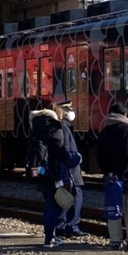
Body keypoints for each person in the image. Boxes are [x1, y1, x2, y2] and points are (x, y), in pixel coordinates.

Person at [97, 102, 128, 252]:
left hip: (111, 178)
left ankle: (115, 240)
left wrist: (109, 172)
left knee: (114, 208)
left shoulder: (105, 131)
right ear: (124, 114)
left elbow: (99, 154)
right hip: (127, 177)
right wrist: (123, 172)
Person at [29, 107, 70, 249]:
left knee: (48, 204)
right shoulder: (54, 127)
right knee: (53, 206)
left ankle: (48, 236)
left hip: (40, 171)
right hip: (53, 171)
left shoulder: (35, 127)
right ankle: (49, 238)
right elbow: (60, 150)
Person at [55, 101, 87, 238]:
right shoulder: (64, 128)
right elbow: (67, 151)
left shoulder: (61, 127)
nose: (72, 112)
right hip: (71, 172)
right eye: (68, 109)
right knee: (75, 196)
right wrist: (77, 158)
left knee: (66, 197)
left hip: (66, 171)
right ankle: (71, 225)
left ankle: (62, 226)